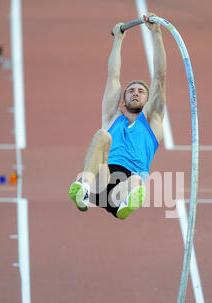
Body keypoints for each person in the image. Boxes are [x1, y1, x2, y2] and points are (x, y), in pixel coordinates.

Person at [69, 13, 166, 220]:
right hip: (101, 180)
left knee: (138, 181)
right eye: (131, 90)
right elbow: (113, 75)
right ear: (123, 100)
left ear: (148, 101)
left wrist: (156, 34)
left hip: (127, 184)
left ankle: (125, 203)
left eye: (141, 91)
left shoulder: (153, 124)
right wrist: (118, 40)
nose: (136, 92)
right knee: (102, 135)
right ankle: (84, 189)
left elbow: (159, 77)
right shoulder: (113, 118)